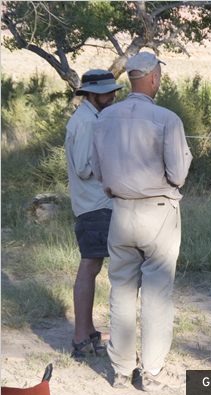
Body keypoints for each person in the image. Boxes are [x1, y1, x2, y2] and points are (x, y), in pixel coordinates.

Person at [92, 52, 192, 390]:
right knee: (157, 292)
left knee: (120, 290)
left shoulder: (104, 117)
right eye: (159, 75)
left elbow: (97, 169)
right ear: (152, 77)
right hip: (158, 210)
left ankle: (120, 370)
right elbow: (177, 174)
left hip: (120, 211)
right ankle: (150, 371)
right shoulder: (167, 118)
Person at [65, 69, 123, 358]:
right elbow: (83, 168)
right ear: (90, 93)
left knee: (93, 265)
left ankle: (87, 331)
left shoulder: (90, 117)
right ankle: (80, 336)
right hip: (95, 205)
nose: (113, 95)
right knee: (90, 266)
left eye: (114, 90)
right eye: (107, 91)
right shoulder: (87, 122)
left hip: (95, 205)